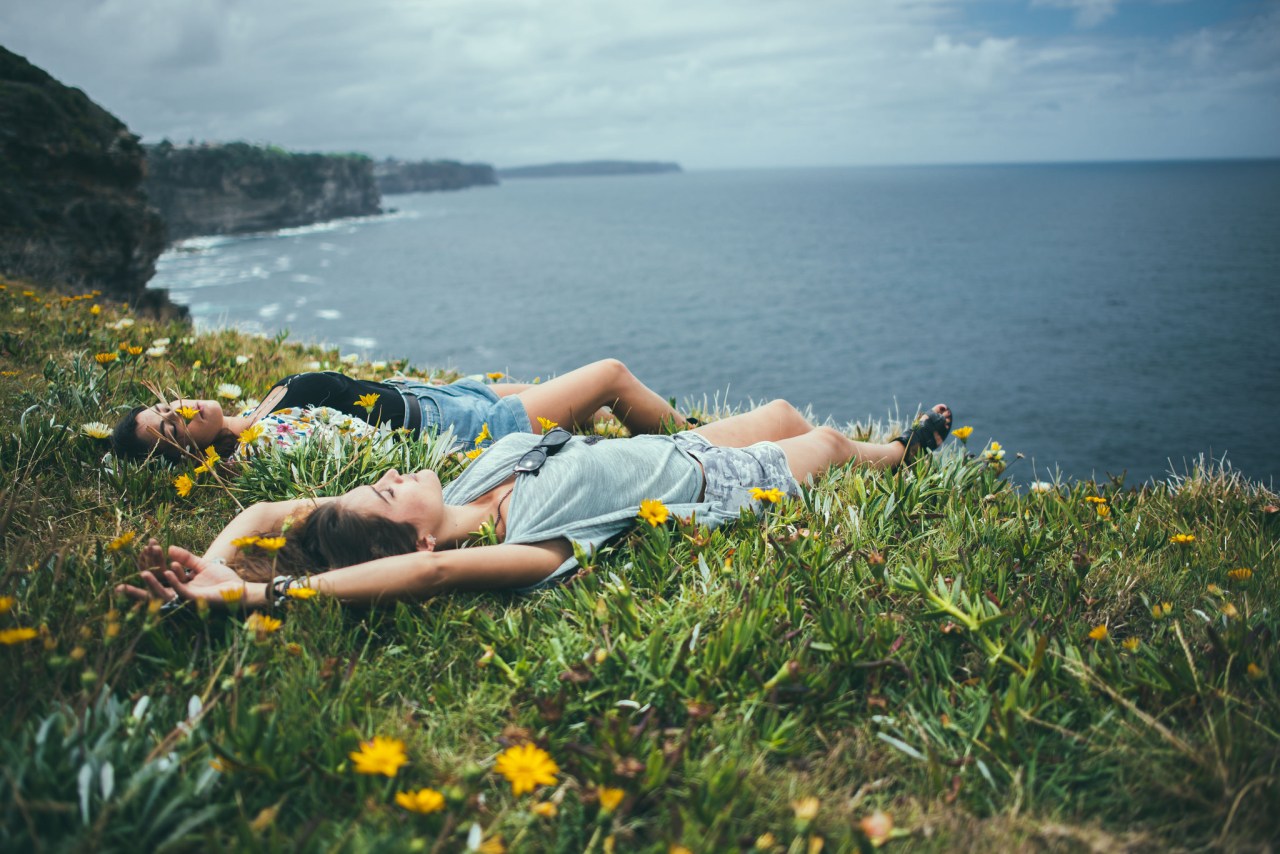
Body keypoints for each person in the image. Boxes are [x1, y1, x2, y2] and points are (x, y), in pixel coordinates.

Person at [119, 403, 953, 609]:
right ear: (412, 536)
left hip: (681, 447)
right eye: (384, 491)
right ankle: (899, 458)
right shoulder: (522, 547)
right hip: (713, 485)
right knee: (834, 441)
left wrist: (224, 561)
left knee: (778, 412)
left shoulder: (473, 479)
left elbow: (271, 505)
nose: (394, 474)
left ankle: (857, 455)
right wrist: (271, 596)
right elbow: (424, 579)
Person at [109, 358, 691, 462]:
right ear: (187, 449)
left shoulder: (258, 413)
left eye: (166, 405)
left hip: (450, 397)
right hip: (461, 427)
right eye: (171, 425)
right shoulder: (265, 443)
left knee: (584, 409)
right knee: (610, 377)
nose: (180, 408)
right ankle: (702, 443)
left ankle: (655, 430)